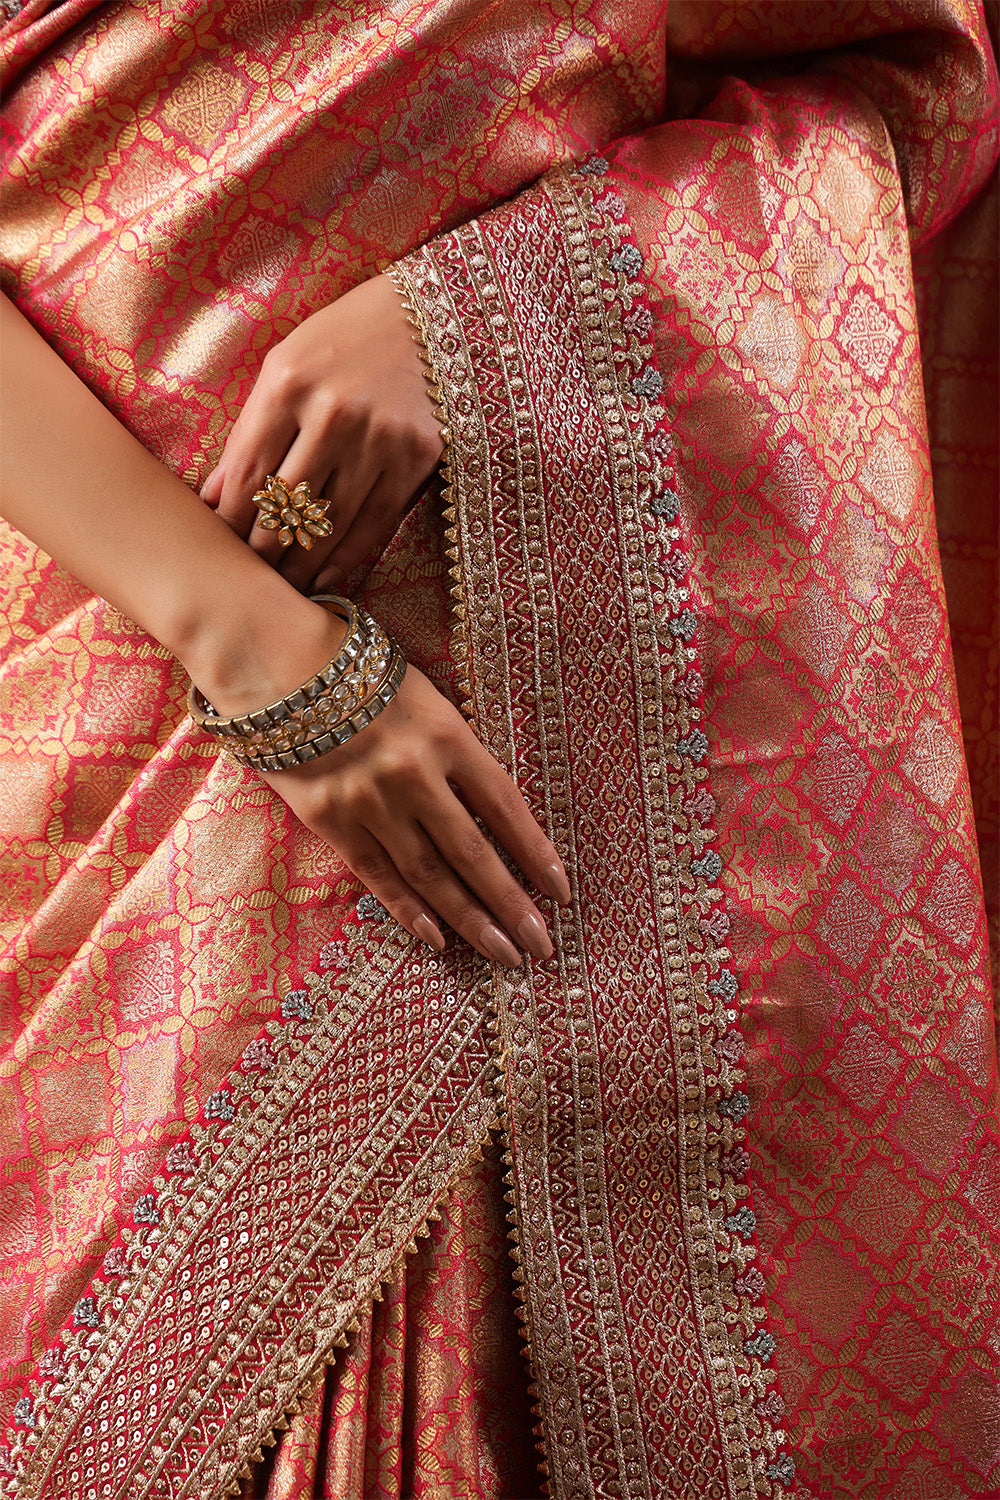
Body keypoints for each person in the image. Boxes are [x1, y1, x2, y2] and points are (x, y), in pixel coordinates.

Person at [0, 2, 996, 1497]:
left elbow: (914, 90)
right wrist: (245, 638)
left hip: (540, 728)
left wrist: (484, 317)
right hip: (98, 724)